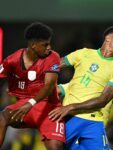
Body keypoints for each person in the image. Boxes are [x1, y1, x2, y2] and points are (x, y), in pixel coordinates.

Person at [49, 26, 113, 150]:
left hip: (94, 123)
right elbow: (54, 67)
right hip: (71, 119)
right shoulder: (83, 56)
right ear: (108, 38)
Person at [0, 22, 65, 150]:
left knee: (55, 146)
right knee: (2, 117)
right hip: (24, 106)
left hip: (49, 110)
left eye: (49, 43)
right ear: (33, 45)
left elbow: (49, 86)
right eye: (45, 44)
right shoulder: (12, 60)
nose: (49, 47)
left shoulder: (53, 57)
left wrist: (30, 103)